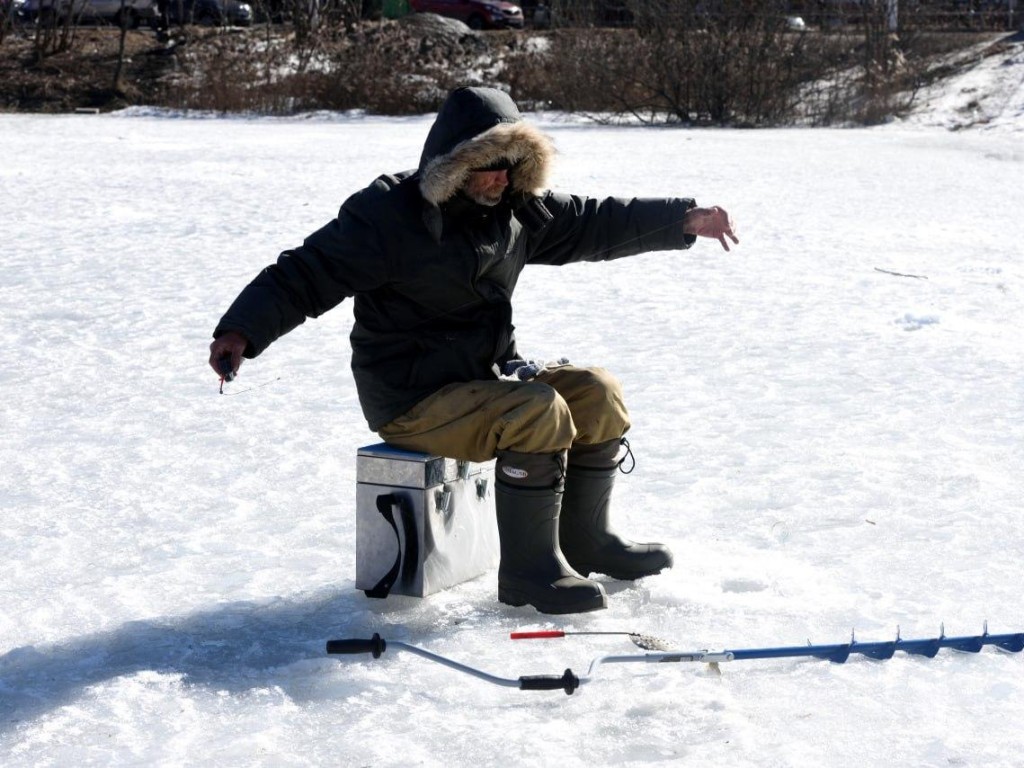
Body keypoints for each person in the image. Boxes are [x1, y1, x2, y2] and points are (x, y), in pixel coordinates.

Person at [209, 86, 738, 615]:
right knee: (537, 410)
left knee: (596, 394)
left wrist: (682, 220)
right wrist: (242, 330)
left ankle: (585, 543)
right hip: (412, 397)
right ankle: (529, 575)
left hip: (485, 380)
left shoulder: (514, 212)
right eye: (490, 167)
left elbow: (593, 220)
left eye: (511, 167)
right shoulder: (389, 217)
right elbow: (305, 273)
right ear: (456, 162)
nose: (501, 179)